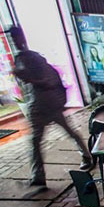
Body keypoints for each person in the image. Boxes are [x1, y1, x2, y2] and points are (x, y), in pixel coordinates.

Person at [8, 26, 93, 188]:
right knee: (43, 139)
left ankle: (41, 174)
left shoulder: (29, 58)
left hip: (42, 104)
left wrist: (26, 77)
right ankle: (83, 156)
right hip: (45, 104)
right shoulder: (31, 57)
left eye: (16, 38)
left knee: (41, 139)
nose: (16, 41)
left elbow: (43, 80)